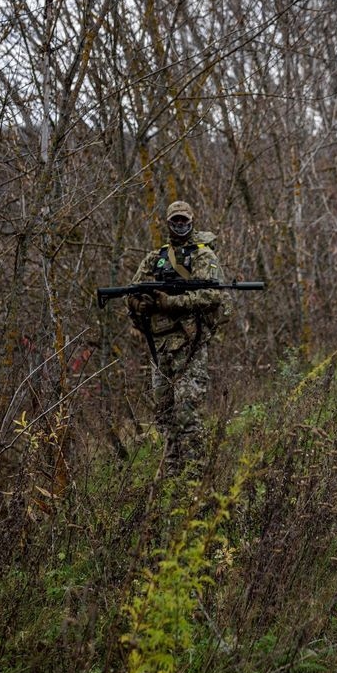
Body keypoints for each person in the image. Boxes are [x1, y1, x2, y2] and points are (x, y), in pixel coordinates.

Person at [126, 200, 227, 477]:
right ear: (168, 224)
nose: (180, 226)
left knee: (188, 413)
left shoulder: (203, 256)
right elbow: (132, 293)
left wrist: (172, 303)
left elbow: (213, 295)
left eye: (184, 221)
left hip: (189, 346)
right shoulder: (154, 258)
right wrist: (140, 305)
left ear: (192, 221)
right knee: (164, 415)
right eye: (175, 221)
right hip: (160, 348)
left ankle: (195, 477)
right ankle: (171, 474)